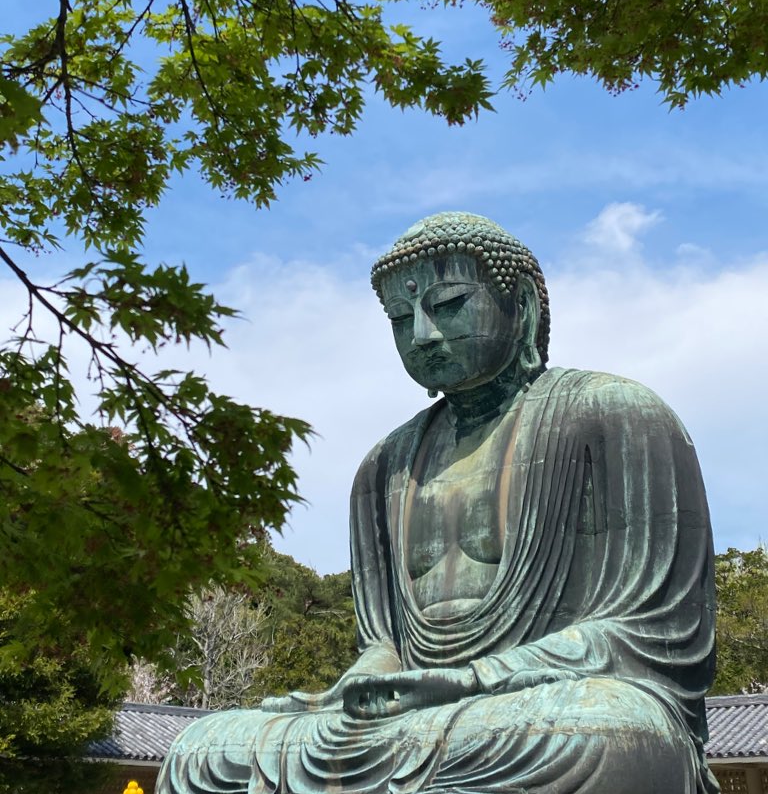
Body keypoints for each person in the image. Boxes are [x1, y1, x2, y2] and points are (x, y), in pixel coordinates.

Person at [158, 212, 720, 794]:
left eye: (448, 304)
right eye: (401, 319)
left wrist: (475, 679)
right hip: (421, 719)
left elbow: (657, 636)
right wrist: (355, 689)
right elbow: (385, 644)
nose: (423, 335)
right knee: (203, 748)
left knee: (606, 734)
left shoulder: (615, 415)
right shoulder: (385, 466)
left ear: (521, 304)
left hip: (545, 703)